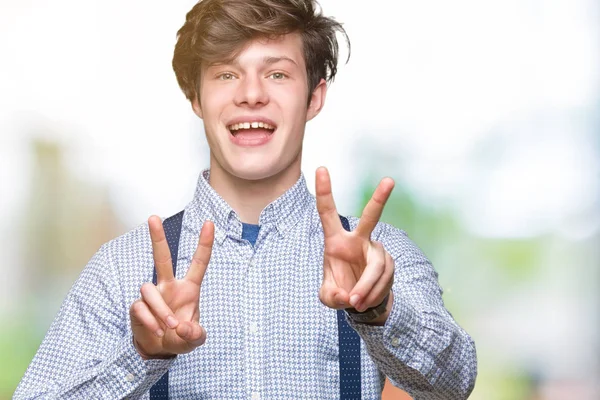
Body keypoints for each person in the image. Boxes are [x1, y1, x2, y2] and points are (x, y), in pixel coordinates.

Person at [14, 0, 477, 398]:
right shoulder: (122, 269)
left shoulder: (380, 256)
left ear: (314, 98)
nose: (251, 94)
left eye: (277, 73)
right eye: (226, 73)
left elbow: (455, 384)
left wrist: (380, 310)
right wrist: (140, 357)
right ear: (195, 96)